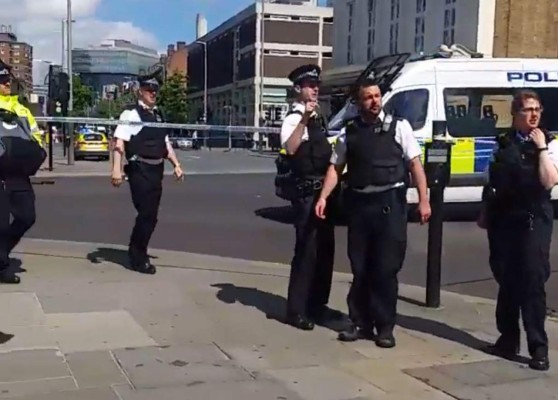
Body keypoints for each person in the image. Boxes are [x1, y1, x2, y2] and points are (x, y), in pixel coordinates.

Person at [315, 79, 431, 347]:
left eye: (377, 96)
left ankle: (385, 327)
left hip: (390, 203)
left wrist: (424, 200)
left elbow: (415, 165)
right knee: (361, 268)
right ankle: (359, 323)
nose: (375, 101)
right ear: (358, 103)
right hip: (360, 206)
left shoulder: (399, 127)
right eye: (368, 97)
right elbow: (336, 168)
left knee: (386, 269)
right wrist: (323, 197)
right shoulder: (349, 132)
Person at [477, 90, 557, 371]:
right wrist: (485, 212)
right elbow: (491, 180)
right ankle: (507, 339)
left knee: (532, 282)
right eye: (527, 110)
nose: (534, 114)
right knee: (506, 280)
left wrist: (542, 148)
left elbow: (549, 181)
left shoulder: (550, 143)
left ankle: (538, 348)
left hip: (533, 219)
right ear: (515, 115)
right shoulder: (502, 143)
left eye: (537, 109)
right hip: (503, 220)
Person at [280, 64, 341, 330]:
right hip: (306, 193)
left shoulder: (320, 118)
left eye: (316, 85)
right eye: (309, 85)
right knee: (306, 252)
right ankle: (296, 310)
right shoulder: (294, 118)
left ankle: (317, 305)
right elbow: (291, 148)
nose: (315, 89)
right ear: (298, 89)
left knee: (325, 252)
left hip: (323, 194)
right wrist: (304, 118)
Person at [110, 72, 184, 274]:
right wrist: (116, 170)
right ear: (140, 91)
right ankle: (137, 256)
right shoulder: (130, 114)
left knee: (151, 216)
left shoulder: (159, 115)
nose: (153, 93)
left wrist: (176, 164)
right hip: (139, 169)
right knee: (146, 213)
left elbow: (165, 142)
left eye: (155, 90)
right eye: (149, 90)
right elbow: (119, 142)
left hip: (156, 169)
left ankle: (137, 250)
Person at [0, 60, 46, 284]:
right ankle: (1, 265)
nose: (6, 83)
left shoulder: (21, 109)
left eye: (7, 80)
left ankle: (0, 255)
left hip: (18, 174)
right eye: (2, 80)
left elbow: (36, 138)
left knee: (27, 217)